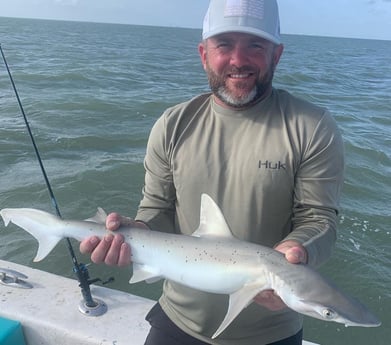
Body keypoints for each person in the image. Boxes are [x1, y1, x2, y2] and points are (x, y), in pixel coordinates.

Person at [80, 0, 344, 344]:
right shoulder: (172, 124)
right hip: (177, 319)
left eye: (255, 45)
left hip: (271, 332)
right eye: (224, 45)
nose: (238, 60)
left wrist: (297, 250)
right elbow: (157, 210)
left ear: (276, 55)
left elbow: (320, 218)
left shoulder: (312, 127)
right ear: (204, 54)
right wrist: (137, 231)